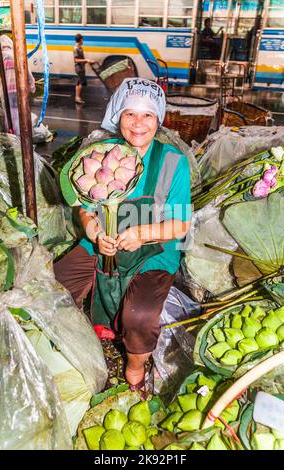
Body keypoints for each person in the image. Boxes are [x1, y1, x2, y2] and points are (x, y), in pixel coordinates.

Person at [54, 78, 191, 395]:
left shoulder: (173, 162)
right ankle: (71, 350)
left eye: (148, 115)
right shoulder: (99, 156)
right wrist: (94, 231)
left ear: (159, 119)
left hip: (154, 251)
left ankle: (135, 369)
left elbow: (181, 225)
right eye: (131, 114)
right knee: (55, 286)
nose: (139, 124)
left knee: (139, 315)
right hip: (100, 243)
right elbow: (85, 209)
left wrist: (143, 234)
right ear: (118, 116)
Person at [0, 33, 35, 135]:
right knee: (20, 114)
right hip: (21, 90)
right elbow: (29, 75)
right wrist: (32, 87)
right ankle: (22, 135)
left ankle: (13, 137)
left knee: (10, 114)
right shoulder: (17, 54)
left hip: (8, 92)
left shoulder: (1, 55)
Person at [73, 33, 94, 104]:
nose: (83, 41)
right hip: (79, 68)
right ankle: (78, 97)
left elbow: (82, 59)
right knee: (82, 82)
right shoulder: (76, 48)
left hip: (81, 67)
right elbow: (76, 60)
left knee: (79, 82)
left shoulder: (80, 48)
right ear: (81, 40)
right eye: (82, 40)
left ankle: (77, 97)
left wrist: (88, 61)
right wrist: (86, 60)